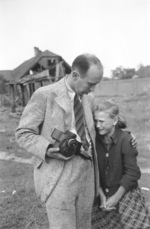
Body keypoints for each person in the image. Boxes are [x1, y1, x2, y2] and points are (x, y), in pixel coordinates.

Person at [15, 53, 103, 229]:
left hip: (87, 172)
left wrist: (123, 137)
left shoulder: (89, 99)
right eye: (91, 84)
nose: (92, 90)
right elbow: (23, 133)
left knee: (84, 225)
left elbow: (103, 125)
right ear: (76, 75)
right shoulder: (44, 95)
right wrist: (47, 149)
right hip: (58, 173)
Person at [92, 100, 150, 229]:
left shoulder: (125, 140)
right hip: (101, 197)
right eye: (95, 121)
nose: (97, 125)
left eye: (101, 121)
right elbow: (93, 170)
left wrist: (115, 198)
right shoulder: (94, 140)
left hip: (125, 195)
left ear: (114, 120)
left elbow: (132, 173)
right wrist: (101, 196)